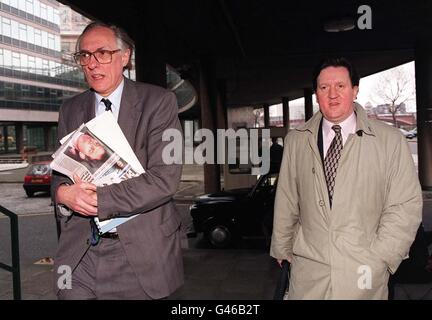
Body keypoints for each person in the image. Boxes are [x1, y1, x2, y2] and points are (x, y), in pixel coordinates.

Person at [270, 57, 422, 299]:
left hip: (364, 273)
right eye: (324, 88)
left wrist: (381, 256)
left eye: (340, 86)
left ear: (355, 90)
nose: (332, 94)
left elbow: (405, 206)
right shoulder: (296, 141)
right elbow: (288, 197)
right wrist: (282, 247)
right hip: (309, 272)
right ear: (316, 95)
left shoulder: (389, 141)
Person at [51, 21, 183, 300]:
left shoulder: (159, 102)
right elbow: (61, 173)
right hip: (79, 255)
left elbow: (164, 179)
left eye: (102, 53)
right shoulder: (70, 109)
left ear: (125, 57)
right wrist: (63, 194)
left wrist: (98, 199)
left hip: (139, 256)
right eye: (84, 56)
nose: (92, 63)